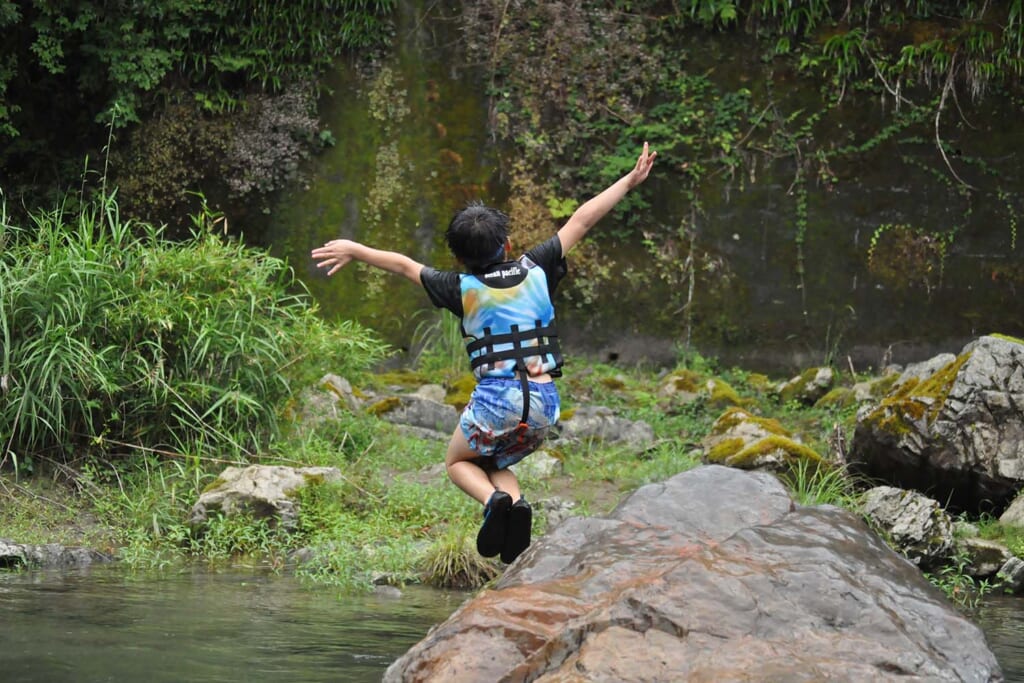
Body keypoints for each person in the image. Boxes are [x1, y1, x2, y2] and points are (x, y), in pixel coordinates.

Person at [311, 142, 657, 564]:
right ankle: (515, 503)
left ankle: (494, 501)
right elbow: (582, 219)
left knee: (458, 462)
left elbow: (403, 265)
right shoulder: (538, 266)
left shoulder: (459, 288)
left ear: (458, 257)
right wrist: (630, 179)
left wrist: (355, 249)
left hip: (498, 400)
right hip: (545, 402)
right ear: (508, 245)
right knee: (492, 459)